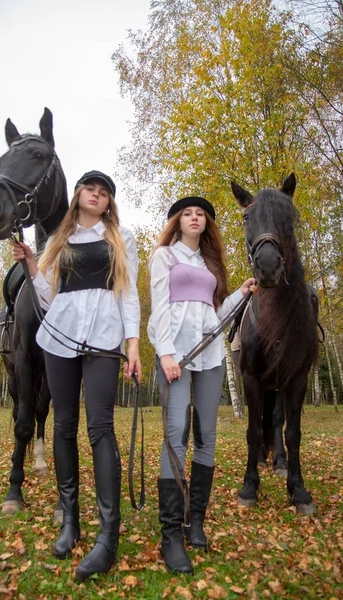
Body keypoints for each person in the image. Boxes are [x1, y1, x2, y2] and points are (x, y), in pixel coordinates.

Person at [11, 170, 141, 581]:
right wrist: (33, 264)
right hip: (60, 335)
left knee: (100, 426)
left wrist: (133, 343)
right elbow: (49, 298)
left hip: (104, 336)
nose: (96, 194)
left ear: (108, 203)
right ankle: (70, 520)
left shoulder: (121, 239)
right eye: (90, 188)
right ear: (78, 195)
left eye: (104, 192)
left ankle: (108, 537)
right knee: (63, 425)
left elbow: (129, 292)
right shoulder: (57, 241)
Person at [147, 196, 257, 575]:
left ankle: (196, 520)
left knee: (206, 435)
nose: (195, 218)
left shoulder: (210, 264)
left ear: (207, 223)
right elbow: (160, 306)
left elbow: (214, 315)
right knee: (175, 432)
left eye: (201, 215)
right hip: (176, 353)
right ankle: (170, 533)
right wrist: (164, 353)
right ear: (177, 222)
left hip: (210, 355)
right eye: (188, 214)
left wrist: (240, 294)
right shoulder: (165, 256)